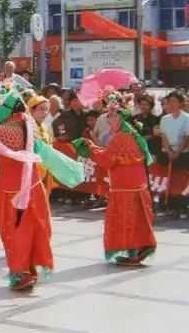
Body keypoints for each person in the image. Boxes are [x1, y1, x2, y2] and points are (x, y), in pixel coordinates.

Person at [0, 91, 55, 290]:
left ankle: (20, 272)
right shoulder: (31, 126)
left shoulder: (0, 131)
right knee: (33, 227)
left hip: (11, 188)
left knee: (13, 229)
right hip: (33, 184)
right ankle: (30, 267)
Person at [79, 92, 157, 265]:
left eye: (113, 115)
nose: (109, 119)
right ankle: (141, 247)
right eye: (108, 115)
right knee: (138, 218)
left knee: (127, 219)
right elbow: (112, 154)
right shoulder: (132, 135)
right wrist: (95, 148)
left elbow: (108, 160)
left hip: (125, 187)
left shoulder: (120, 137)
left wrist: (91, 149)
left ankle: (134, 253)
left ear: (122, 118)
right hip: (136, 184)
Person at [158, 90, 189, 218]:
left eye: (174, 101)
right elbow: (163, 136)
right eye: (169, 101)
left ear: (180, 103)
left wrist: (178, 151)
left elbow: (186, 137)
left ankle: (183, 208)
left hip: (183, 153)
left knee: (181, 180)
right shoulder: (165, 119)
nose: (171, 104)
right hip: (167, 152)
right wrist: (169, 151)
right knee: (167, 179)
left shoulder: (187, 118)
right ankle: (168, 206)